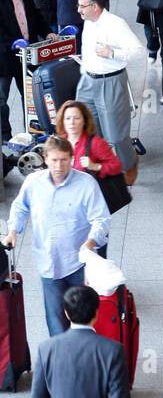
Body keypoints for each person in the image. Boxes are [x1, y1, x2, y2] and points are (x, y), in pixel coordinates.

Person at [3, 137, 109, 337]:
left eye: (64, 160)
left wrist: (91, 242)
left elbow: (101, 219)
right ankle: (63, 362)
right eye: (54, 160)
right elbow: (19, 207)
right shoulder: (34, 183)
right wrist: (13, 231)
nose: (59, 166)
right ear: (45, 159)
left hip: (79, 264)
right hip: (48, 264)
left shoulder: (86, 184)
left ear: (72, 158)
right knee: (55, 323)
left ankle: (82, 361)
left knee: (83, 322)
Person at [75, 0, 142, 177]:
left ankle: (129, 165)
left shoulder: (115, 24)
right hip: (88, 81)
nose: (78, 10)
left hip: (110, 82)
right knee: (87, 127)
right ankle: (96, 166)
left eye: (82, 6)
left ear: (95, 7)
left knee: (116, 134)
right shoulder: (88, 23)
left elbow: (138, 51)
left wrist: (112, 53)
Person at [0, 0, 47, 138]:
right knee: (1, 101)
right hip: (4, 57)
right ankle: (5, 138)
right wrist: (12, 43)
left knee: (31, 97)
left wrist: (47, 31)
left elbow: (34, 14)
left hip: (27, 55)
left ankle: (33, 133)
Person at [54, 101, 122, 212]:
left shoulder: (95, 143)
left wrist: (95, 166)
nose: (72, 123)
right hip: (64, 200)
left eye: (76, 118)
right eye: (67, 118)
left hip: (88, 203)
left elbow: (116, 166)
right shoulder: (59, 142)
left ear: (84, 120)